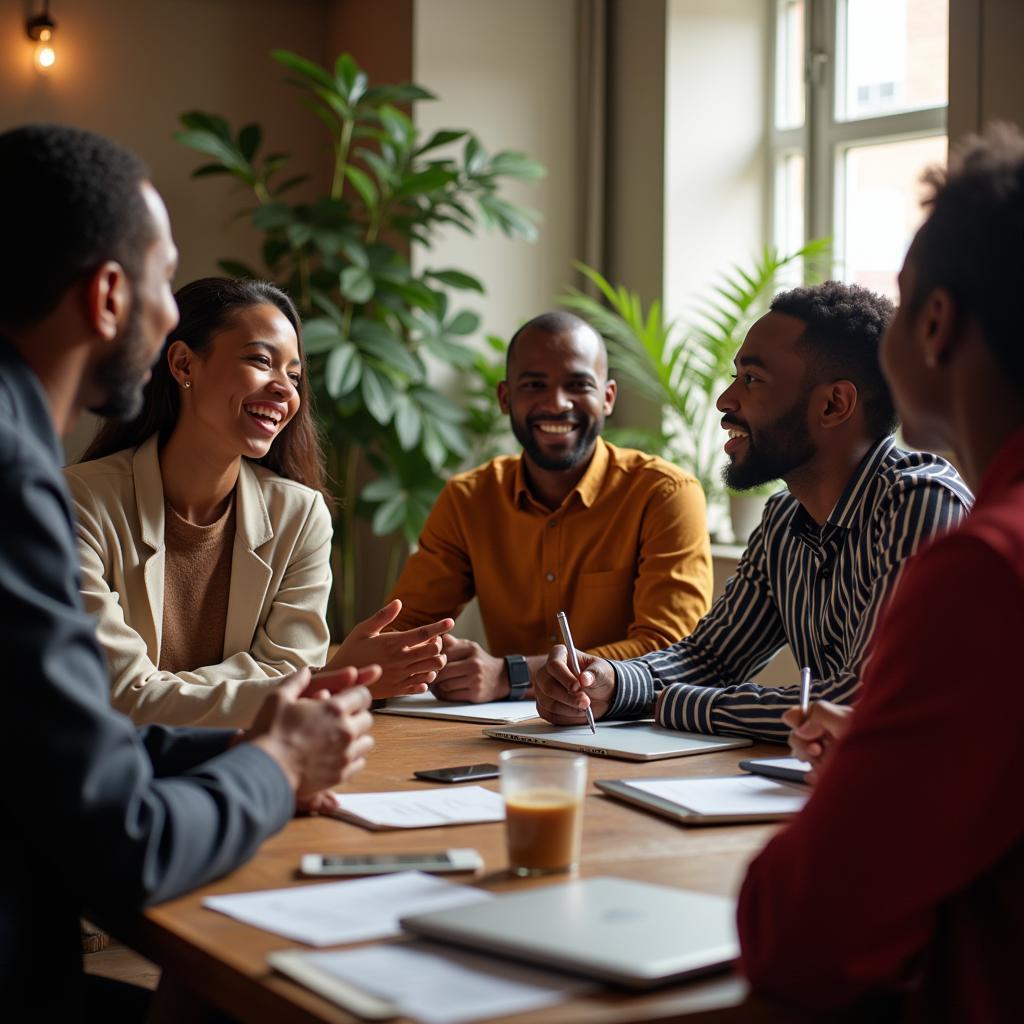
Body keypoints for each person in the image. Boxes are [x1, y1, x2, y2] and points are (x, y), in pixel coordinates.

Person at [0, 123, 375, 1016]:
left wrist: (243, 746)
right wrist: (275, 763)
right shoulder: (21, 483)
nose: (171, 307)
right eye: (165, 282)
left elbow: (69, 739)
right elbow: (128, 837)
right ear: (107, 295)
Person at [737, 126, 1024, 1021]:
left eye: (897, 309)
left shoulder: (980, 571)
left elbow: (801, 931)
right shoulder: (792, 522)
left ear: (936, 325)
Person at [535, 281, 972, 741]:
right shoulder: (785, 519)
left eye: (752, 380)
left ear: (833, 404)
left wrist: (669, 701)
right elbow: (712, 658)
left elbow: (863, 702)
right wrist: (612, 683)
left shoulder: (921, 504)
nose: (725, 402)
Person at [65, 277, 452, 728]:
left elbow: (283, 672)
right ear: (184, 363)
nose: (285, 391)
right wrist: (322, 682)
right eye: (260, 361)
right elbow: (121, 696)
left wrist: (297, 683)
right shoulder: (76, 503)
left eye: (294, 377)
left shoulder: (302, 516)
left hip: (243, 763)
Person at [387, 311, 713, 703]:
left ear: (607, 398)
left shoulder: (665, 494)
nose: (557, 404)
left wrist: (512, 675)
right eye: (535, 385)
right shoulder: (468, 499)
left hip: (635, 727)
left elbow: (673, 653)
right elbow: (405, 627)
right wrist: (431, 659)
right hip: (504, 736)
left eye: (578, 385)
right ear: (506, 398)